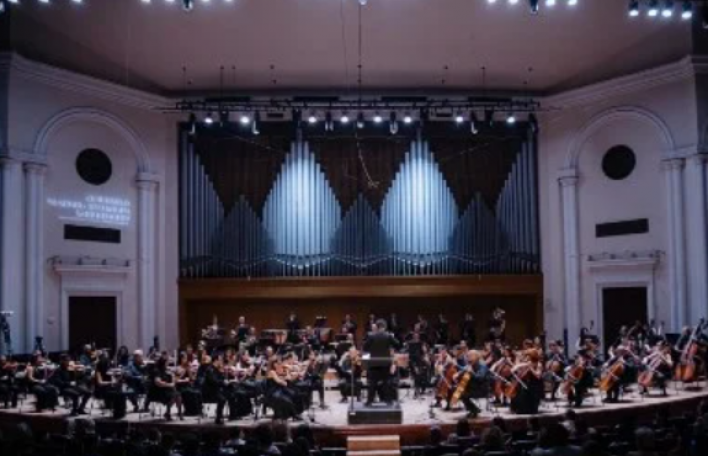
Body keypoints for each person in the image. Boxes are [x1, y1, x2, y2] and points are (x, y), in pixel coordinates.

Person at [363, 319, 399, 406]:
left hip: (373, 363)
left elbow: (365, 348)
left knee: (372, 383)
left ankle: (369, 402)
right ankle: (388, 401)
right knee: (386, 382)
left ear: (377, 327)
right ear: (384, 326)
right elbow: (397, 344)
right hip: (385, 363)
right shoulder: (388, 336)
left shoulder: (371, 336)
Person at [456, 350, 489, 418]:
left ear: (476, 357)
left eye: (470, 356)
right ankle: (473, 409)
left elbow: (480, 378)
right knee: (456, 391)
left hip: (481, 389)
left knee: (461, 394)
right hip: (472, 388)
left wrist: (472, 372)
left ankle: (474, 410)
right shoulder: (470, 365)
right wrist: (457, 374)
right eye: (468, 356)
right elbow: (462, 371)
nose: (468, 357)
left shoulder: (482, 366)